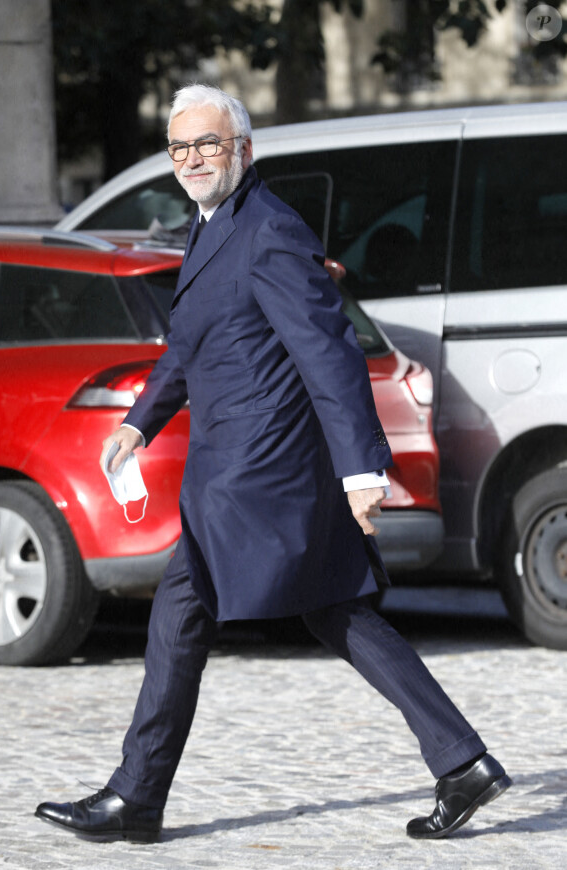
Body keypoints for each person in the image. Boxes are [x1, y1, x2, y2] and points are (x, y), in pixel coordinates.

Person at [35, 84, 511, 843]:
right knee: (336, 610)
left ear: (243, 151)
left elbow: (331, 354)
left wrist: (362, 471)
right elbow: (194, 344)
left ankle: (137, 795)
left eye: (209, 144)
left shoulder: (268, 231)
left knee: (180, 614)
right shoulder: (211, 225)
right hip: (258, 469)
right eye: (180, 146)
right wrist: (138, 422)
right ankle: (463, 763)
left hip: (257, 472)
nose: (192, 158)